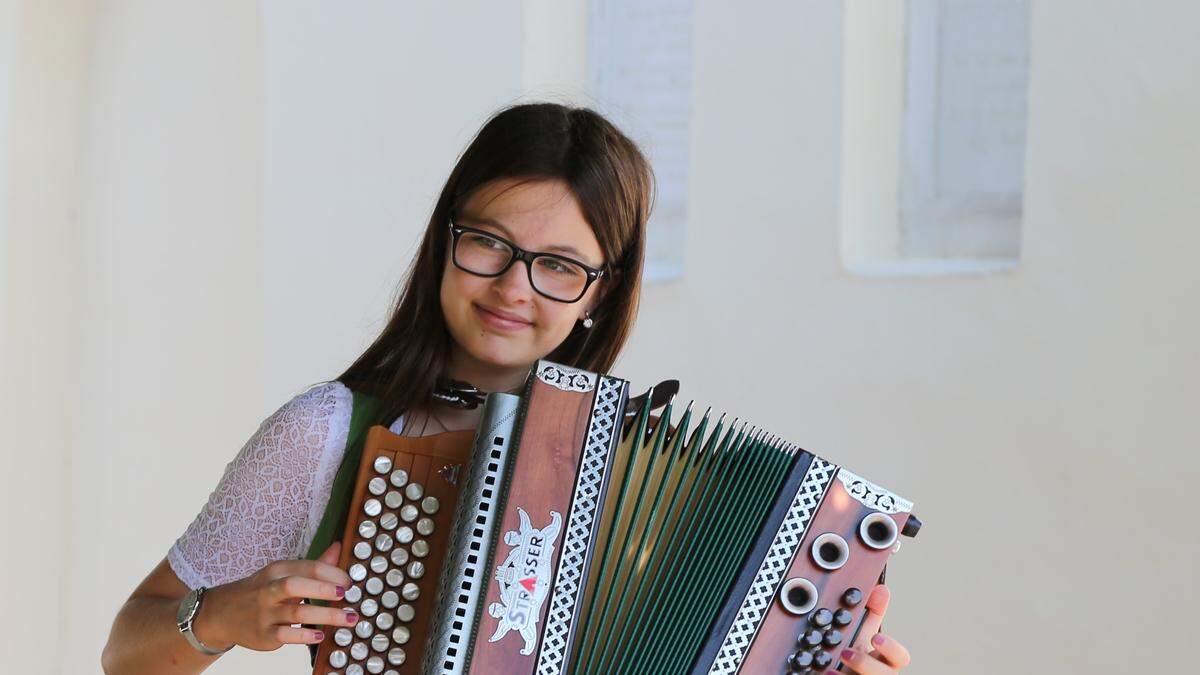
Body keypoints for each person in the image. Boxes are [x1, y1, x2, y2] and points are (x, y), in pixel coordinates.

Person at [101, 102, 911, 674]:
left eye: (558, 265)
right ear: (444, 241)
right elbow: (126, 653)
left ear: (600, 290)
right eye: (489, 242)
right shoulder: (325, 432)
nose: (513, 287)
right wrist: (220, 617)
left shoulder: (662, 487)